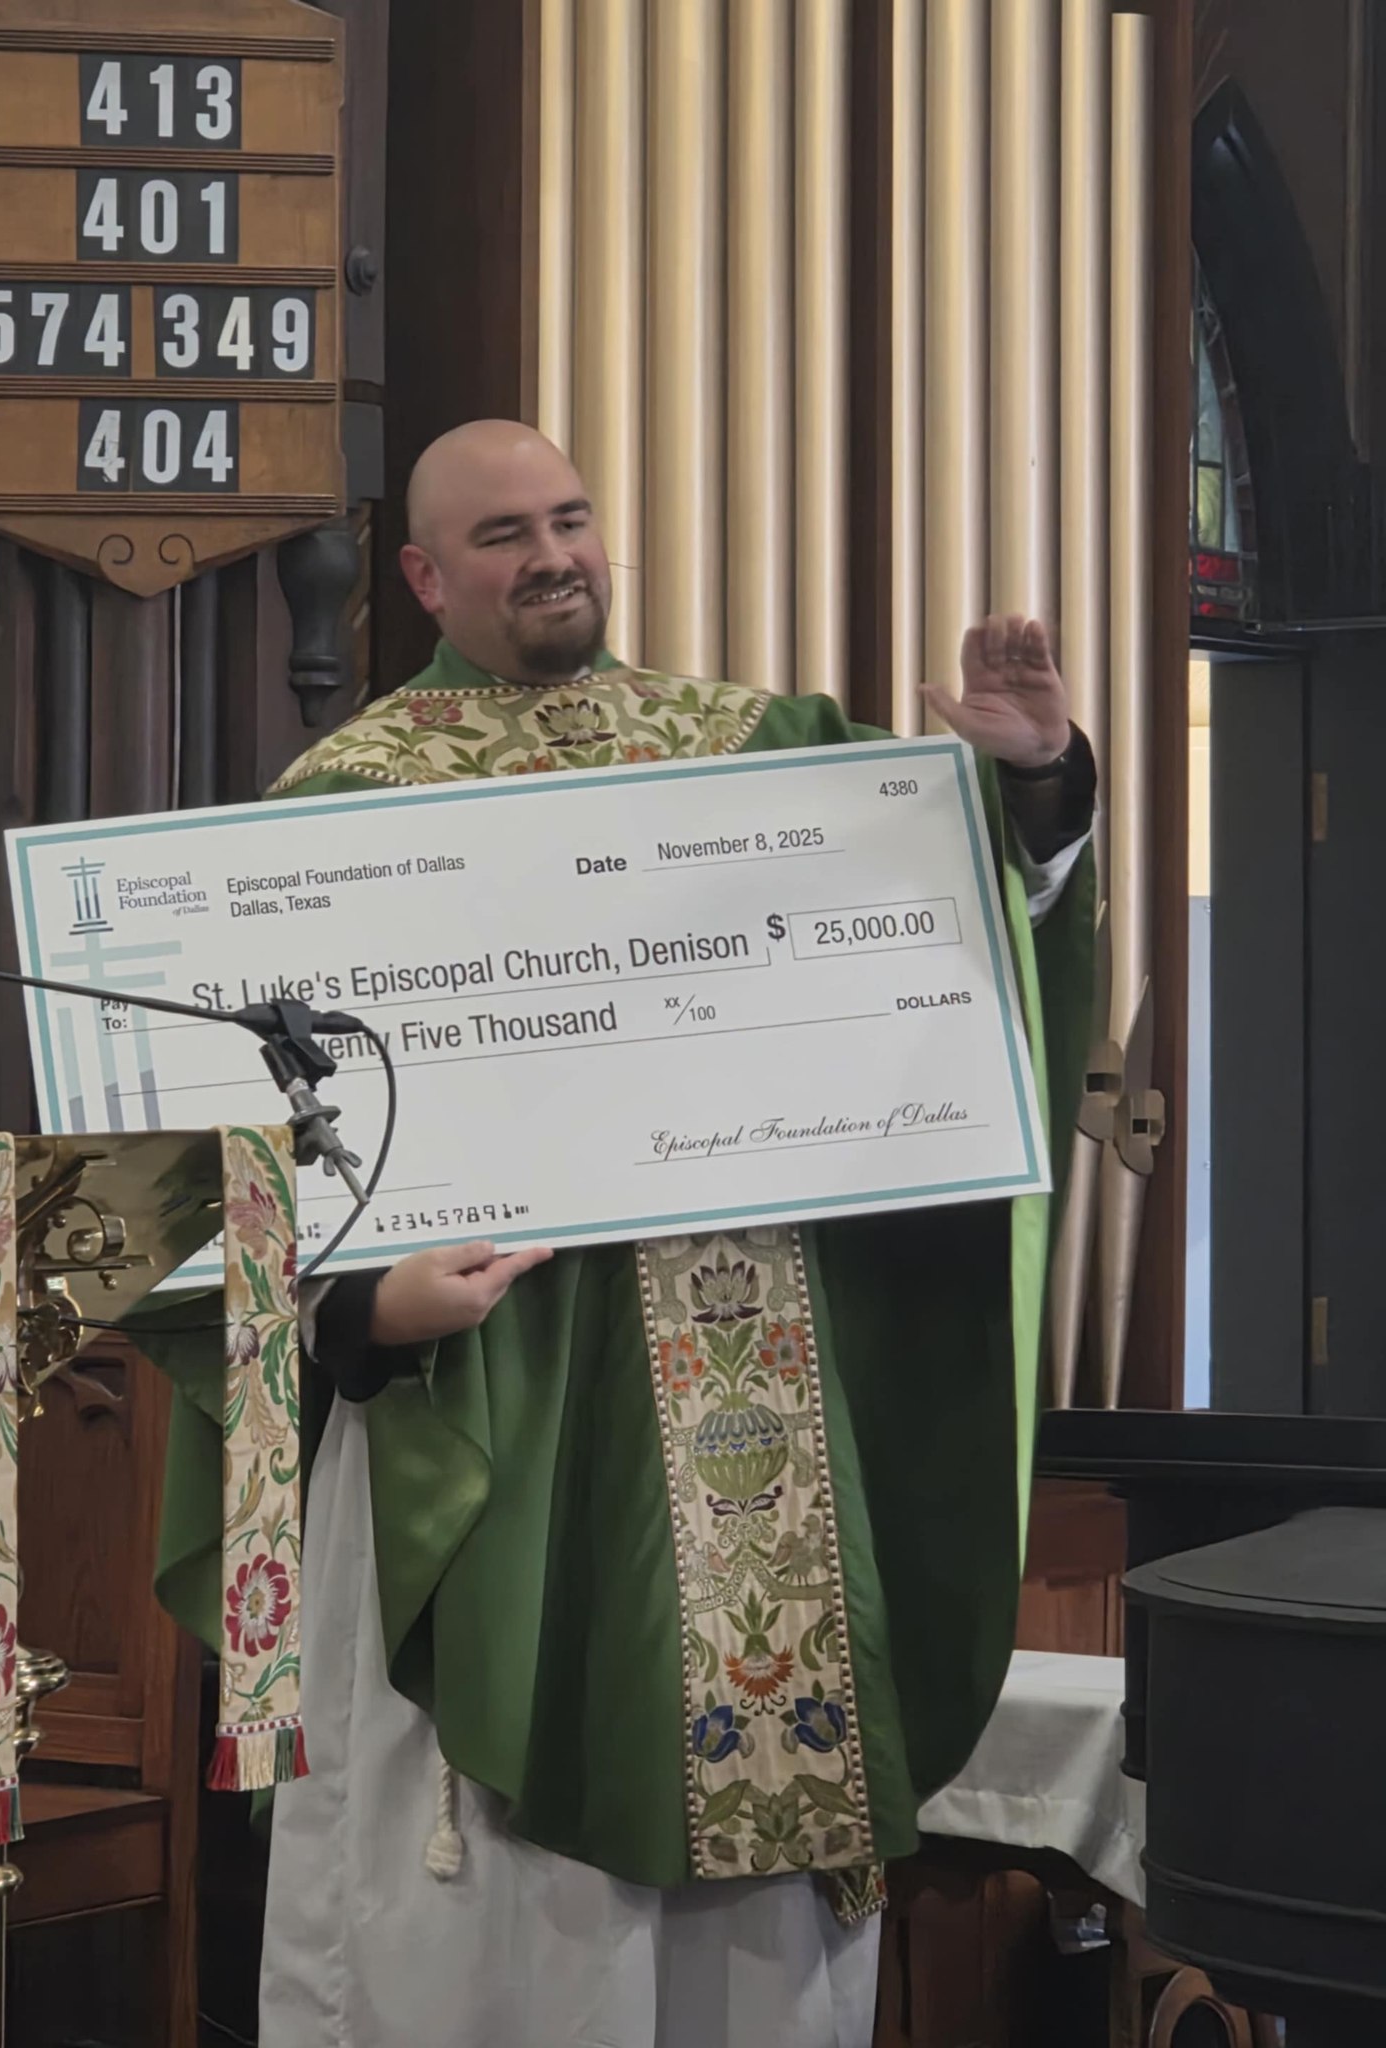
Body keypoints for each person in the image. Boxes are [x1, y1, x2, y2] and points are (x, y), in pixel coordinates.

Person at [156, 420, 1096, 2048]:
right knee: (491, 1933)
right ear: (424, 576)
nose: (554, 557)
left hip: (763, 1395)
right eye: (505, 535)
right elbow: (232, 1173)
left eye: (572, 518)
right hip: (490, 1412)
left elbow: (947, 968)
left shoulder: (761, 757)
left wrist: (1030, 786)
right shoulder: (336, 809)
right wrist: (363, 1313)